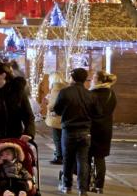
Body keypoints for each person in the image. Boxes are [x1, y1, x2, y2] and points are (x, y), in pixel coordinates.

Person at [53, 67, 101, 196]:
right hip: (85, 132)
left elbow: (57, 110)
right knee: (83, 161)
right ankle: (82, 189)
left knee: (68, 160)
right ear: (85, 79)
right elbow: (97, 113)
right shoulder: (91, 94)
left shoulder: (65, 92)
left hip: (69, 131)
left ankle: (67, 186)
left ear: (73, 77)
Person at [0, 62, 35, 144]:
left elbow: (28, 115)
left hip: (15, 137)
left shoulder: (17, 90)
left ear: (3, 75)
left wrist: (28, 133)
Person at [89, 71, 117, 194]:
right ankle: (99, 186)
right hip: (105, 129)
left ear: (99, 80)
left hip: (91, 128)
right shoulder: (111, 94)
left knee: (86, 156)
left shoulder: (91, 94)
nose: (91, 80)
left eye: (94, 78)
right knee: (100, 158)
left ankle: (86, 182)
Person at [45, 72, 68, 165]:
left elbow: (53, 105)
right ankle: (62, 155)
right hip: (64, 117)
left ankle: (59, 156)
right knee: (63, 137)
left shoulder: (56, 88)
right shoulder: (66, 87)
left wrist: (48, 105)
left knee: (57, 138)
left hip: (56, 118)